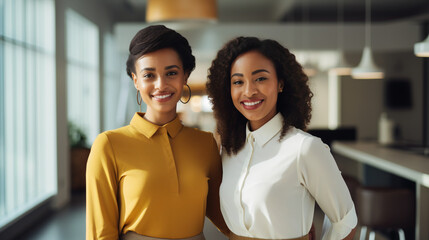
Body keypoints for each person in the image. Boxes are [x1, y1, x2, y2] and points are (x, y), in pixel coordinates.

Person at [206, 36, 357, 240]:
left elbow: (345, 223)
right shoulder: (228, 150)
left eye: (260, 78)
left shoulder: (304, 148)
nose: (249, 91)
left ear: (281, 84)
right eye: (238, 81)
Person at [86, 25, 229, 240]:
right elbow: (100, 232)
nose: (161, 85)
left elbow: (224, 215)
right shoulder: (109, 144)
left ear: (185, 77)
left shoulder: (205, 143)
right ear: (136, 80)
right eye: (149, 75)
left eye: (171, 73)